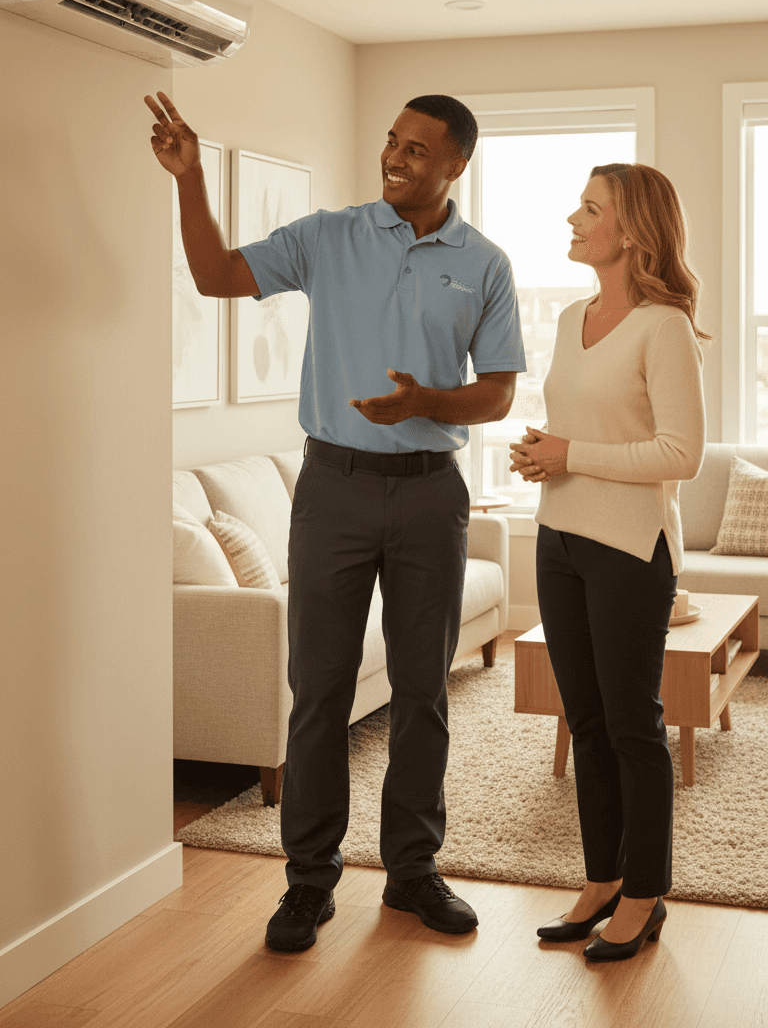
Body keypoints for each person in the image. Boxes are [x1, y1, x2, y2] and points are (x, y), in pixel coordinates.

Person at [146, 90, 526, 953]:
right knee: (317, 691)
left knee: (424, 693)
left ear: (457, 163)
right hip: (334, 489)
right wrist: (190, 179)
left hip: (431, 491)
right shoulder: (329, 236)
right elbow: (216, 276)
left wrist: (427, 402)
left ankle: (413, 872)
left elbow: (498, 389)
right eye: (392, 142)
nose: (396, 157)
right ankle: (307, 883)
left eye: (418, 150)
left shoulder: (487, 263)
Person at [510, 162, 709, 963]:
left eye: (589, 208)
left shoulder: (663, 326)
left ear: (629, 231)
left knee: (633, 727)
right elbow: (582, 436)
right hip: (558, 538)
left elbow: (682, 454)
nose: (572, 217)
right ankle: (599, 880)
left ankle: (645, 893)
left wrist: (572, 452)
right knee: (583, 721)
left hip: (631, 550)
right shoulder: (569, 318)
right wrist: (546, 457)